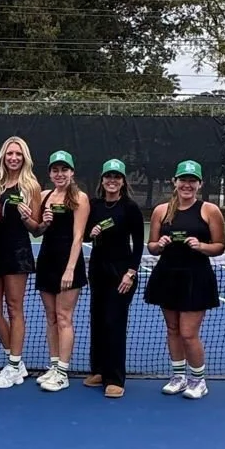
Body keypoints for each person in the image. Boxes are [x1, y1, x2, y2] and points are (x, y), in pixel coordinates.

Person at [145, 160, 225, 399]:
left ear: (199, 184)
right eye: (183, 180)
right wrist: (158, 245)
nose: (187, 185)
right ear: (175, 182)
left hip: (196, 277)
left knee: (188, 332)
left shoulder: (210, 210)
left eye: (192, 181)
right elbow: (151, 246)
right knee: (172, 329)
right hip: (167, 275)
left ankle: (198, 380)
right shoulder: (162, 210)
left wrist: (201, 246)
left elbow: (220, 246)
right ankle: (179, 376)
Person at [84, 159, 145, 398]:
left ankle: (115, 378)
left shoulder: (130, 208)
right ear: (102, 180)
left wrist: (131, 273)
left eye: (116, 177)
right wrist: (92, 233)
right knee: (98, 321)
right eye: (108, 176)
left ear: (122, 181)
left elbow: (139, 245)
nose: (112, 180)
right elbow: (87, 235)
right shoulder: (94, 205)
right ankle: (99, 370)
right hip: (98, 271)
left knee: (114, 323)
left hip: (121, 274)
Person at [0, 136, 43, 388]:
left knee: (14, 307)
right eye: (10, 153)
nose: (13, 158)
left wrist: (26, 217)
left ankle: (12, 364)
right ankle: (17, 362)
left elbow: (36, 229)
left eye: (18, 154)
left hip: (17, 252)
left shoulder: (32, 187)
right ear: (3, 156)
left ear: (24, 158)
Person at [33, 151, 90, 392]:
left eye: (64, 170)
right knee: (51, 317)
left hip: (69, 265)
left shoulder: (80, 198)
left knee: (64, 317)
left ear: (72, 172)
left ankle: (63, 372)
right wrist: (41, 222)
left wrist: (70, 269)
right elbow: (36, 231)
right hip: (46, 261)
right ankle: (54, 366)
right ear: (50, 173)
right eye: (55, 170)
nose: (60, 174)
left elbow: (78, 237)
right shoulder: (44, 196)